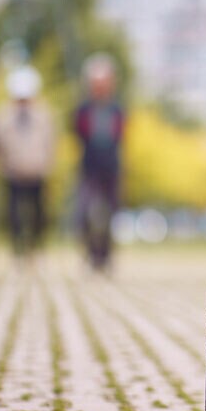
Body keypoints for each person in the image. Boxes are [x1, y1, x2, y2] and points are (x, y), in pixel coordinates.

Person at [0, 66, 56, 261]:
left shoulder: (44, 115)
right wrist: (2, 165)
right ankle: (17, 249)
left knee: (39, 215)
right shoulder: (3, 115)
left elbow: (50, 142)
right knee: (13, 215)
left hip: (37, 171)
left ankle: (36, 248)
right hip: (13, 171)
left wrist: (46, 164)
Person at [73, 55, 124, 273]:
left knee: (110, 215)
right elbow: (79, 135)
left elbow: (119, 137)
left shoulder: (117, 110)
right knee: (85, 212)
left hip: (111, 168)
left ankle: (105, 256)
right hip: (89, 169)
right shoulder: (83, 110)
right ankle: (91, 253)